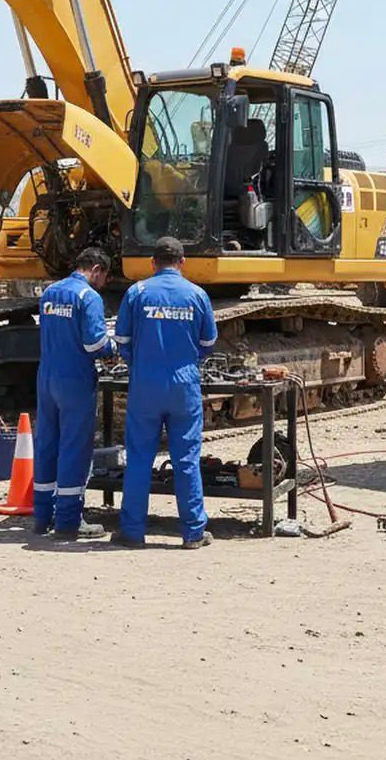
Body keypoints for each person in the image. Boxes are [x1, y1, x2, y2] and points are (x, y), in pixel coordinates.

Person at [113, 235, 218, 549]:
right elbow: (208, 344)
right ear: (183, 262)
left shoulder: (137, 292)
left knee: (139, 459)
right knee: (186, 459)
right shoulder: (198, 295)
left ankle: (132, 532)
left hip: (145, 385)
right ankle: (193, 532)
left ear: (152, 263)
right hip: (184, 386)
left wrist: (140, 364)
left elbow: (122, 340)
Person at [32, 246, 114, 540]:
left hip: (47, 378)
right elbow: (94, 345)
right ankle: (68, 521)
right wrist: (112, 346)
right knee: (74, 447)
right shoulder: (89, 297)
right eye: (104, 277)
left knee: (47, 445)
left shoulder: (50, 292)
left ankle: (42, 516)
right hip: (75, 380)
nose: (104, 284)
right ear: (96, 270)